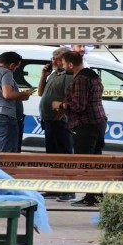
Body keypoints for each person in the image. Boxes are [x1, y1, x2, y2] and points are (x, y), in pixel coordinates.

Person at [52, 51, 107, 207]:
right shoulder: (93, 76)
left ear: (70, 64)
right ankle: (95, 195)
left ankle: (92, 197)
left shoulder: (81, 79)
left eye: (64, 64)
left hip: (86, 125)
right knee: (95, 160)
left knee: (86, 161)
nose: (63, 66)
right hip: (97, 122)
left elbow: (79, 106)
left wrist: (60, 105)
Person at [38, 47, 75, 200]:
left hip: (61, 121)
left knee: (64, 156)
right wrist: (43, 76)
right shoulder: (53, 74)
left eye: (59, 59)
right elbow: (40, 93)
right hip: (48, 120)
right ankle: (54, 188)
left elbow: (70, 98)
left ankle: (68, 190)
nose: (55, 61)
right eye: (53, 58)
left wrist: (60, 113)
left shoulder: (68, 76)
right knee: (52, 155)